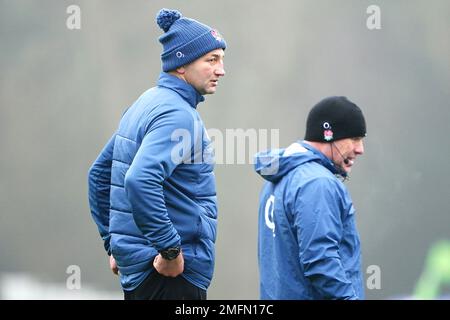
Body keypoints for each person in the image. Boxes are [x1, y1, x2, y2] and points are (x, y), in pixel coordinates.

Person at [88, 8, 226, 300]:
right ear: (181, 65)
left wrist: (115, 246)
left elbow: (98, 175)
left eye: (221, 59)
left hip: (143, 273)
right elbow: (139, 180)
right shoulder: (177, 114)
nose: (221, 70)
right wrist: (170, 250)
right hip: (171, 274)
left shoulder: (146, 102)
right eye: (211, 60)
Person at [254, 96, 367, 299]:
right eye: (355, 138)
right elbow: (321, 261)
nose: (360, 149)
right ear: (329, 135)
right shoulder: (318, 183)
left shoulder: (278, 178)